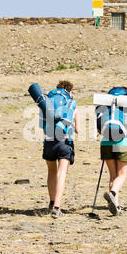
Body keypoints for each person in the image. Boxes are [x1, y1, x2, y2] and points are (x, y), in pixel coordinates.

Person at [97, 87, 127, 216]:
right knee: (121, 174)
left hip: (106, 143)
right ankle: (113, 194)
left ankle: (115, 206)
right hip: (122, 143)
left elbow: (100, 130)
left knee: (112, 175)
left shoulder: (106, 107)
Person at [42, 81, 80, 219]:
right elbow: (78, 129)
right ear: (69, 91)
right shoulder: (71, 103)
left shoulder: (47, 102)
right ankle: (57, 207)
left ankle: (51, 202)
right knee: (61, 172)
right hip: (65, 141)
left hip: (49, 140)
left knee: (51, 171)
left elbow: (42, 126)